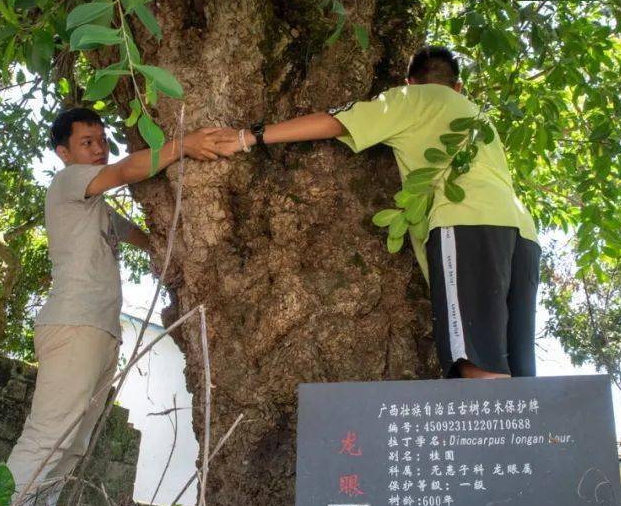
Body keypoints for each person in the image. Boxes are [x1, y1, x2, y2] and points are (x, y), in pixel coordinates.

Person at [213, 46, 539, 379]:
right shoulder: (478, 117)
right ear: (458, 86)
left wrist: (247, 136)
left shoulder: (410, 99)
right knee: (519, 378)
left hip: (469, 223)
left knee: (477, 362)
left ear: (411, 82)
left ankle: (486, 433)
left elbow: (334, 122)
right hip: (523, 234)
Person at [4, 107, 222, 506]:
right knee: (48, 437)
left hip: (98, 331)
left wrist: (176, 248)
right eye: (87, 142)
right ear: (64, 152)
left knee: (71, 447)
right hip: (74, 324)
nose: (99, 148)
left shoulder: (95, 208)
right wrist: (183, 146)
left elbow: (141, 236)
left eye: (102, 140)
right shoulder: (69, 183)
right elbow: (126, 169)